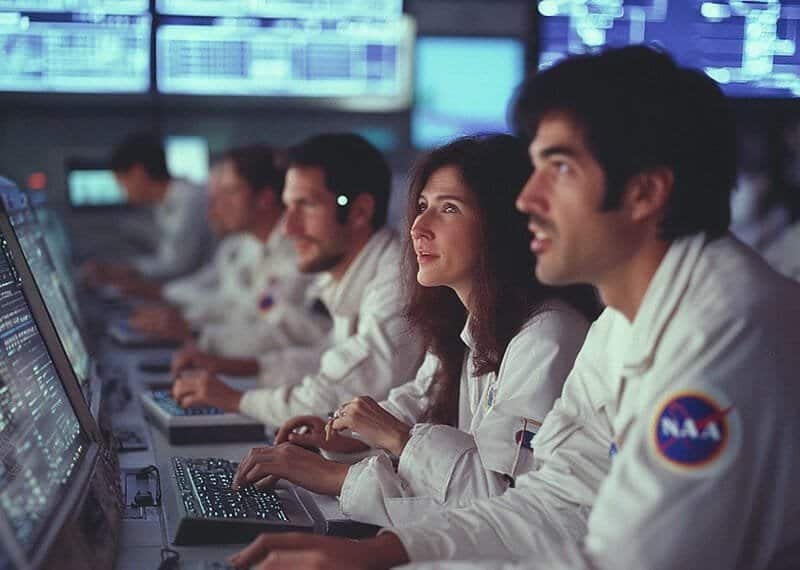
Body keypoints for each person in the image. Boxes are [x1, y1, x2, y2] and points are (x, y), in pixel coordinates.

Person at [229, 46, 800, 570]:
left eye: (560, 168)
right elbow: (553, 502)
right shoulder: (620, 326)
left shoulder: (722, 331)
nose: (527, 199)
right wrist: (379, 553)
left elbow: (629, 561)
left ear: (644, 193)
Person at [229, 135, 599, 527]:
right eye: (422, 207)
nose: (418, 227)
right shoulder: (471, 324)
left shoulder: (547, 338)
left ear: (502, 224)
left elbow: (506, 503)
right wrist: (341, 437)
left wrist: (371, 457)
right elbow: (420, 401)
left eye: (448, 208)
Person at [171, 133, 426, 430]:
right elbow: (326, 357)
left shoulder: (397, 282)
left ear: (359, 212)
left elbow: (339, 394)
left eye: (306, 205)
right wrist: (241, 368)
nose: (288, 228)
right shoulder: (348, 275)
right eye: (288, 206)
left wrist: (236, 399)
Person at [129, 144, 330, 361]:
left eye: (230, 192)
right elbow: (232, 306)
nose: (214, 207)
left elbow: (284, 334)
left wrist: (196, 332)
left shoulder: (300, 253)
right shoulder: (245, 245)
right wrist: (184, 320)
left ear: (264, 198)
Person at [83, 132, 212, 291]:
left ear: (138, 174)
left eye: (122, 183)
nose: (124, 193)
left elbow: (175, 265)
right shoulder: (162, 203)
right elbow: (167, 256)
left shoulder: (188, 200)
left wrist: (123, 272)